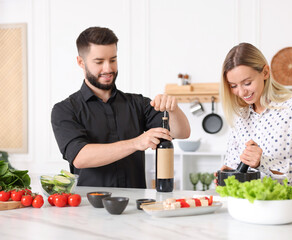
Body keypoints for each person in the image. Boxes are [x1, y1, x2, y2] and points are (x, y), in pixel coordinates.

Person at [51, 27, 190, 188]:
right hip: (88, 207)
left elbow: (182, 133)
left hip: (135, 206)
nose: (108, 68)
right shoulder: (65, 110)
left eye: (113, 60)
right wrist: (136, 143)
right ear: (81, 62)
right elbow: (80, 158)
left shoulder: (138, 103)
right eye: (99, 62)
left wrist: (173, 110)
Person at [217, 43, 292, 195]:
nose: (241, 92)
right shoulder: (240, 117)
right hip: (251, 209)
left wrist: (264, 162)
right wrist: (230, 173)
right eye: (233, 85)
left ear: (265, 72)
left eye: (247, 83)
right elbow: (234, 164)